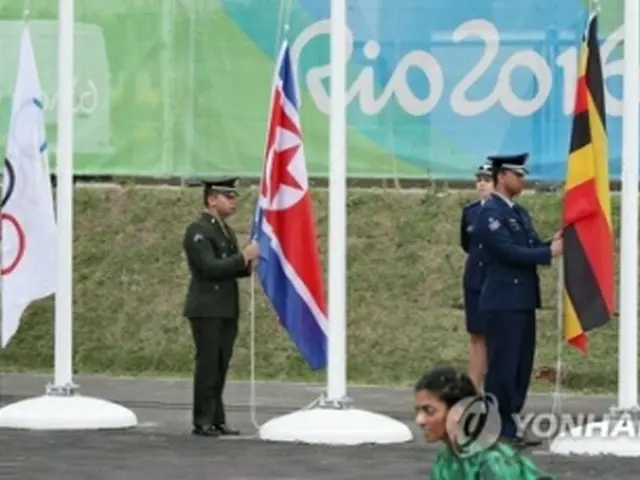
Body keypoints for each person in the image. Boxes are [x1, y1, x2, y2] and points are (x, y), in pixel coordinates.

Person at [473, 153, 563, 447]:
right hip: (502, 301)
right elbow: (508, 252)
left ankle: (511, 424)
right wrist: (550, 253)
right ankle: (498, 429)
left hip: (522, 300)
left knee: (520, 367)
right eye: (518, 175)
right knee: (502, 367)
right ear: (502, 176)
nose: (522, 180)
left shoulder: (518, 213)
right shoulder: (490, 214)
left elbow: (532, 246)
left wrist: (554, 242)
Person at [182, 177, 259, 437]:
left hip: (225, 307)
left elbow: (231, 269)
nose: (233, 201)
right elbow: (209, 268)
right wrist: (242, 258)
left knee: (220, 365)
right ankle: (202, 419)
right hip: (207, 308)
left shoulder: (224, 230)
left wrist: (247, 265)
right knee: (207, 366)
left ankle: (217, 418)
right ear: (212, 199)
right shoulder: (198, 230)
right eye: (228, 196)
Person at [414, 365, 553, 479]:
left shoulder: (493, 461)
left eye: (429, 411)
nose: (419, 420)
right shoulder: (445, 460)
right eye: (418, 411)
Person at [459, 162, 493, 392]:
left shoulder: (506, 212)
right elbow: (466, 244)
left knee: (496, 336)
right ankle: (474, 389)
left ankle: (494, 387)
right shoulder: (470, 211)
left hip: (496, 280)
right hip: (475, 279)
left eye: (487, 179)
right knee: (477, 334)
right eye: (479, 178)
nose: (481, 183)